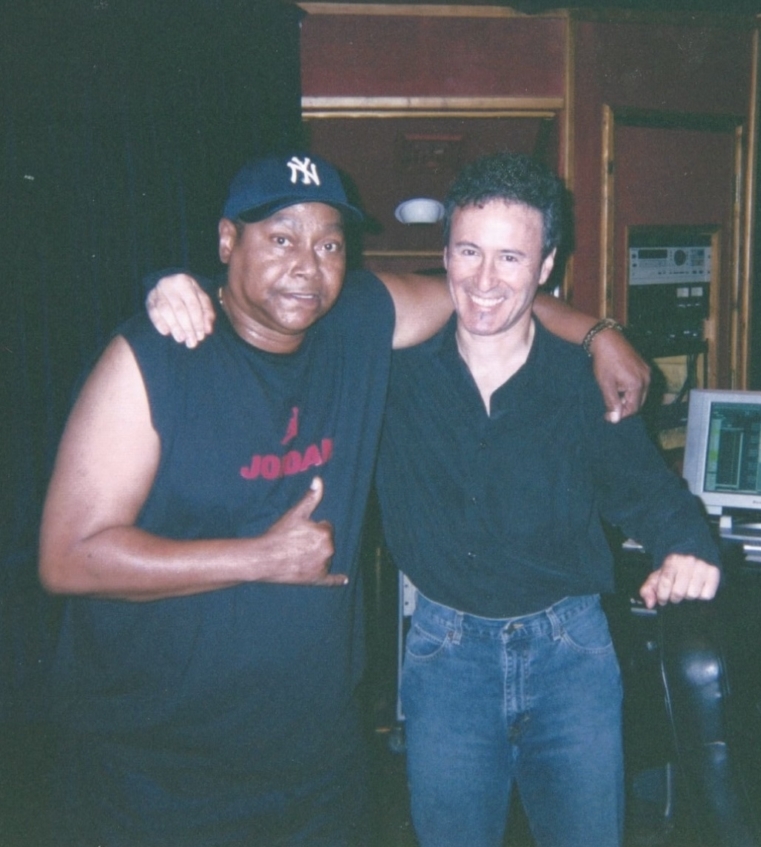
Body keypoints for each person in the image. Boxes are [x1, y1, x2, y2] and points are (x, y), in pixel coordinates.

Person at [39, 151, 649, 847]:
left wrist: (600, 334)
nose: (307, 264)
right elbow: (68, 557)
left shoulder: (359, 318)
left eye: (329, 244)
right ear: (227, 241)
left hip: (314, 761)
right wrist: (258, 558)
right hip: (157, 764)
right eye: (281, 238)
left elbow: (488, 292)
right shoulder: (155, 358)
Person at [375, 152, 721, 847]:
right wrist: (178, 291)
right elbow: (286, 299)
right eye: (469, 251)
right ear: (444, 255)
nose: (484, 280)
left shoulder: (580, 380)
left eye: (511, 257)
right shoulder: (392, 371)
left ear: (545, 266)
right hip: (446, 660)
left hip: (571, 660)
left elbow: (650, 493)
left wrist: (688, 548)